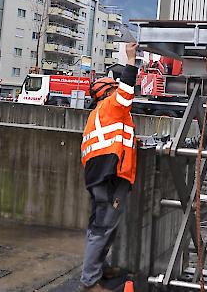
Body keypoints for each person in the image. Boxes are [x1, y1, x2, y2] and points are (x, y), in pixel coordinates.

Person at [79, 42, 139, 292]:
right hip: (111, 176)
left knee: (103, 227)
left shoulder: (97, 116)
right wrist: (132, 59)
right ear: (108, 92)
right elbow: (126, 90)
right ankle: (89, 281)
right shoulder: (112, 106)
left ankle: (98, 269)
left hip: (100, 176)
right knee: (103, 228)